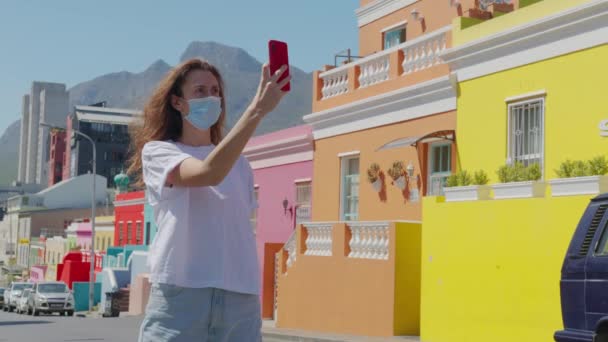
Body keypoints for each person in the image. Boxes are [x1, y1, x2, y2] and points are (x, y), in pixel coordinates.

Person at [127, 57, 290, 341]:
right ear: (178, 102)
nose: (211, 97)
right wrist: (257, 110)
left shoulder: (240, 165)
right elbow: (206, 173)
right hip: (181, 299)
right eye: (200, 91)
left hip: (240, 301)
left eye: (216, 91)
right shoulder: (159, 152)